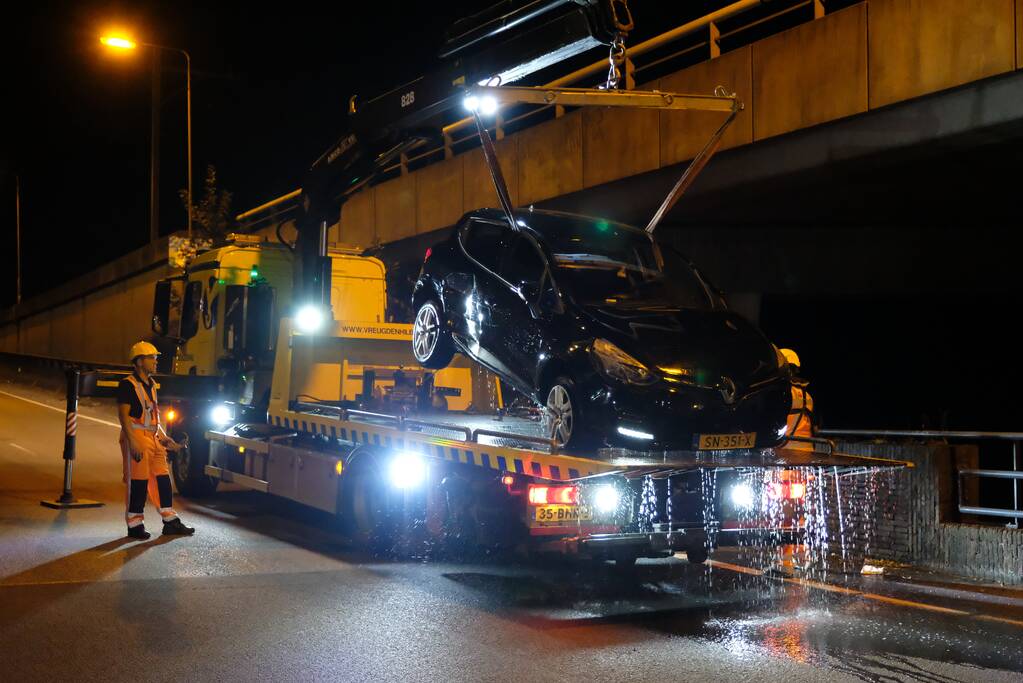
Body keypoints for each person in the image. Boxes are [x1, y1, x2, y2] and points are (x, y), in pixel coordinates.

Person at [117, 341, 195, 539]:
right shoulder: (128, 384)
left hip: (153, 438)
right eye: (152, 358)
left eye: (155, 358)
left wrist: (163, 436)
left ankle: (170, 521)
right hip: (137, 437)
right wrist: (132, 441)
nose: (155, 361)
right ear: (139, 361)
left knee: (162, 478)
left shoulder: (151, 384)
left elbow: (151, 416)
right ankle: (135, 525)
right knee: (138, 482)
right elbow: (124, 416)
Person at [780, 348, 815, 449]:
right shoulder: (807, 395)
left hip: (784, 451)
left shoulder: (782, 393)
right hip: (807, 449)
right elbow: (815, 426)